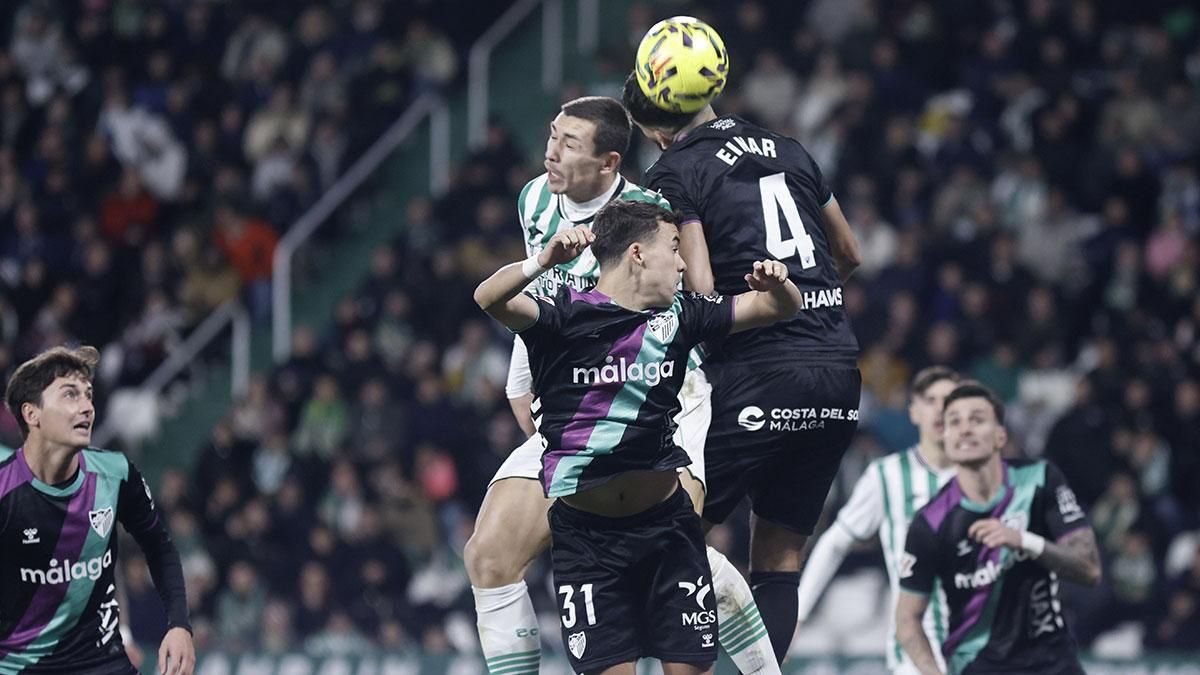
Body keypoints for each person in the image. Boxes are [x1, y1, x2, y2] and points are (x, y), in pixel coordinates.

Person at [467, 97, 777, 675]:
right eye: (551, 136)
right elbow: (534, 303)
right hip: (577, 405)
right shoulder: (535, 198)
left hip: (663, 400)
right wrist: (523, 387)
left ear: (610, 162)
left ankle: (754, 650)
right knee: (489, 555)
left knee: (669, 541)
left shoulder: (649, 212)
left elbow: (693, 297)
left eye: (567, 144)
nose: (550, 153)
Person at [623, 70, 864, 662]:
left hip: (758, 374)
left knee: (664, 540)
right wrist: (806, 302)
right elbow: (849, 254)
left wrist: (754, 308)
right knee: (779, 561)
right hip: (838, 372)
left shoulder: (675, 170)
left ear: (656, 129)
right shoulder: (791, 148)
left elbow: (702, 291)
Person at [1, 345, 195, 675]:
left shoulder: (115, 474)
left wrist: (179, 624)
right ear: (32, 414)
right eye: (70, 395)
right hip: (21, 667)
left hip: (103, 663)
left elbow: (159, 546)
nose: (87, 407)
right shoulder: (6, 492)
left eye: (88, 395)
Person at [896, 383, 1102, 675]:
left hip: (1053, 663)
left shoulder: (1039, 480)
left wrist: (1024, 541)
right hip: (978, 666)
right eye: (954, 422)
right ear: (945, 437)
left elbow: (1089, 569)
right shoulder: (930, 521)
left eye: (977, 419)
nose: (964, 429)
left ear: (1000, 436)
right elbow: (907, 618)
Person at [798, 366, 961, 673]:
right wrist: (799, 613)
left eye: (950, 400)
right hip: (915, 652)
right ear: (913, 412)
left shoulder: (985, 477)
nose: (941, 409)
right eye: (931, 400)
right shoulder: (887, 475)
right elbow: (834, 543)